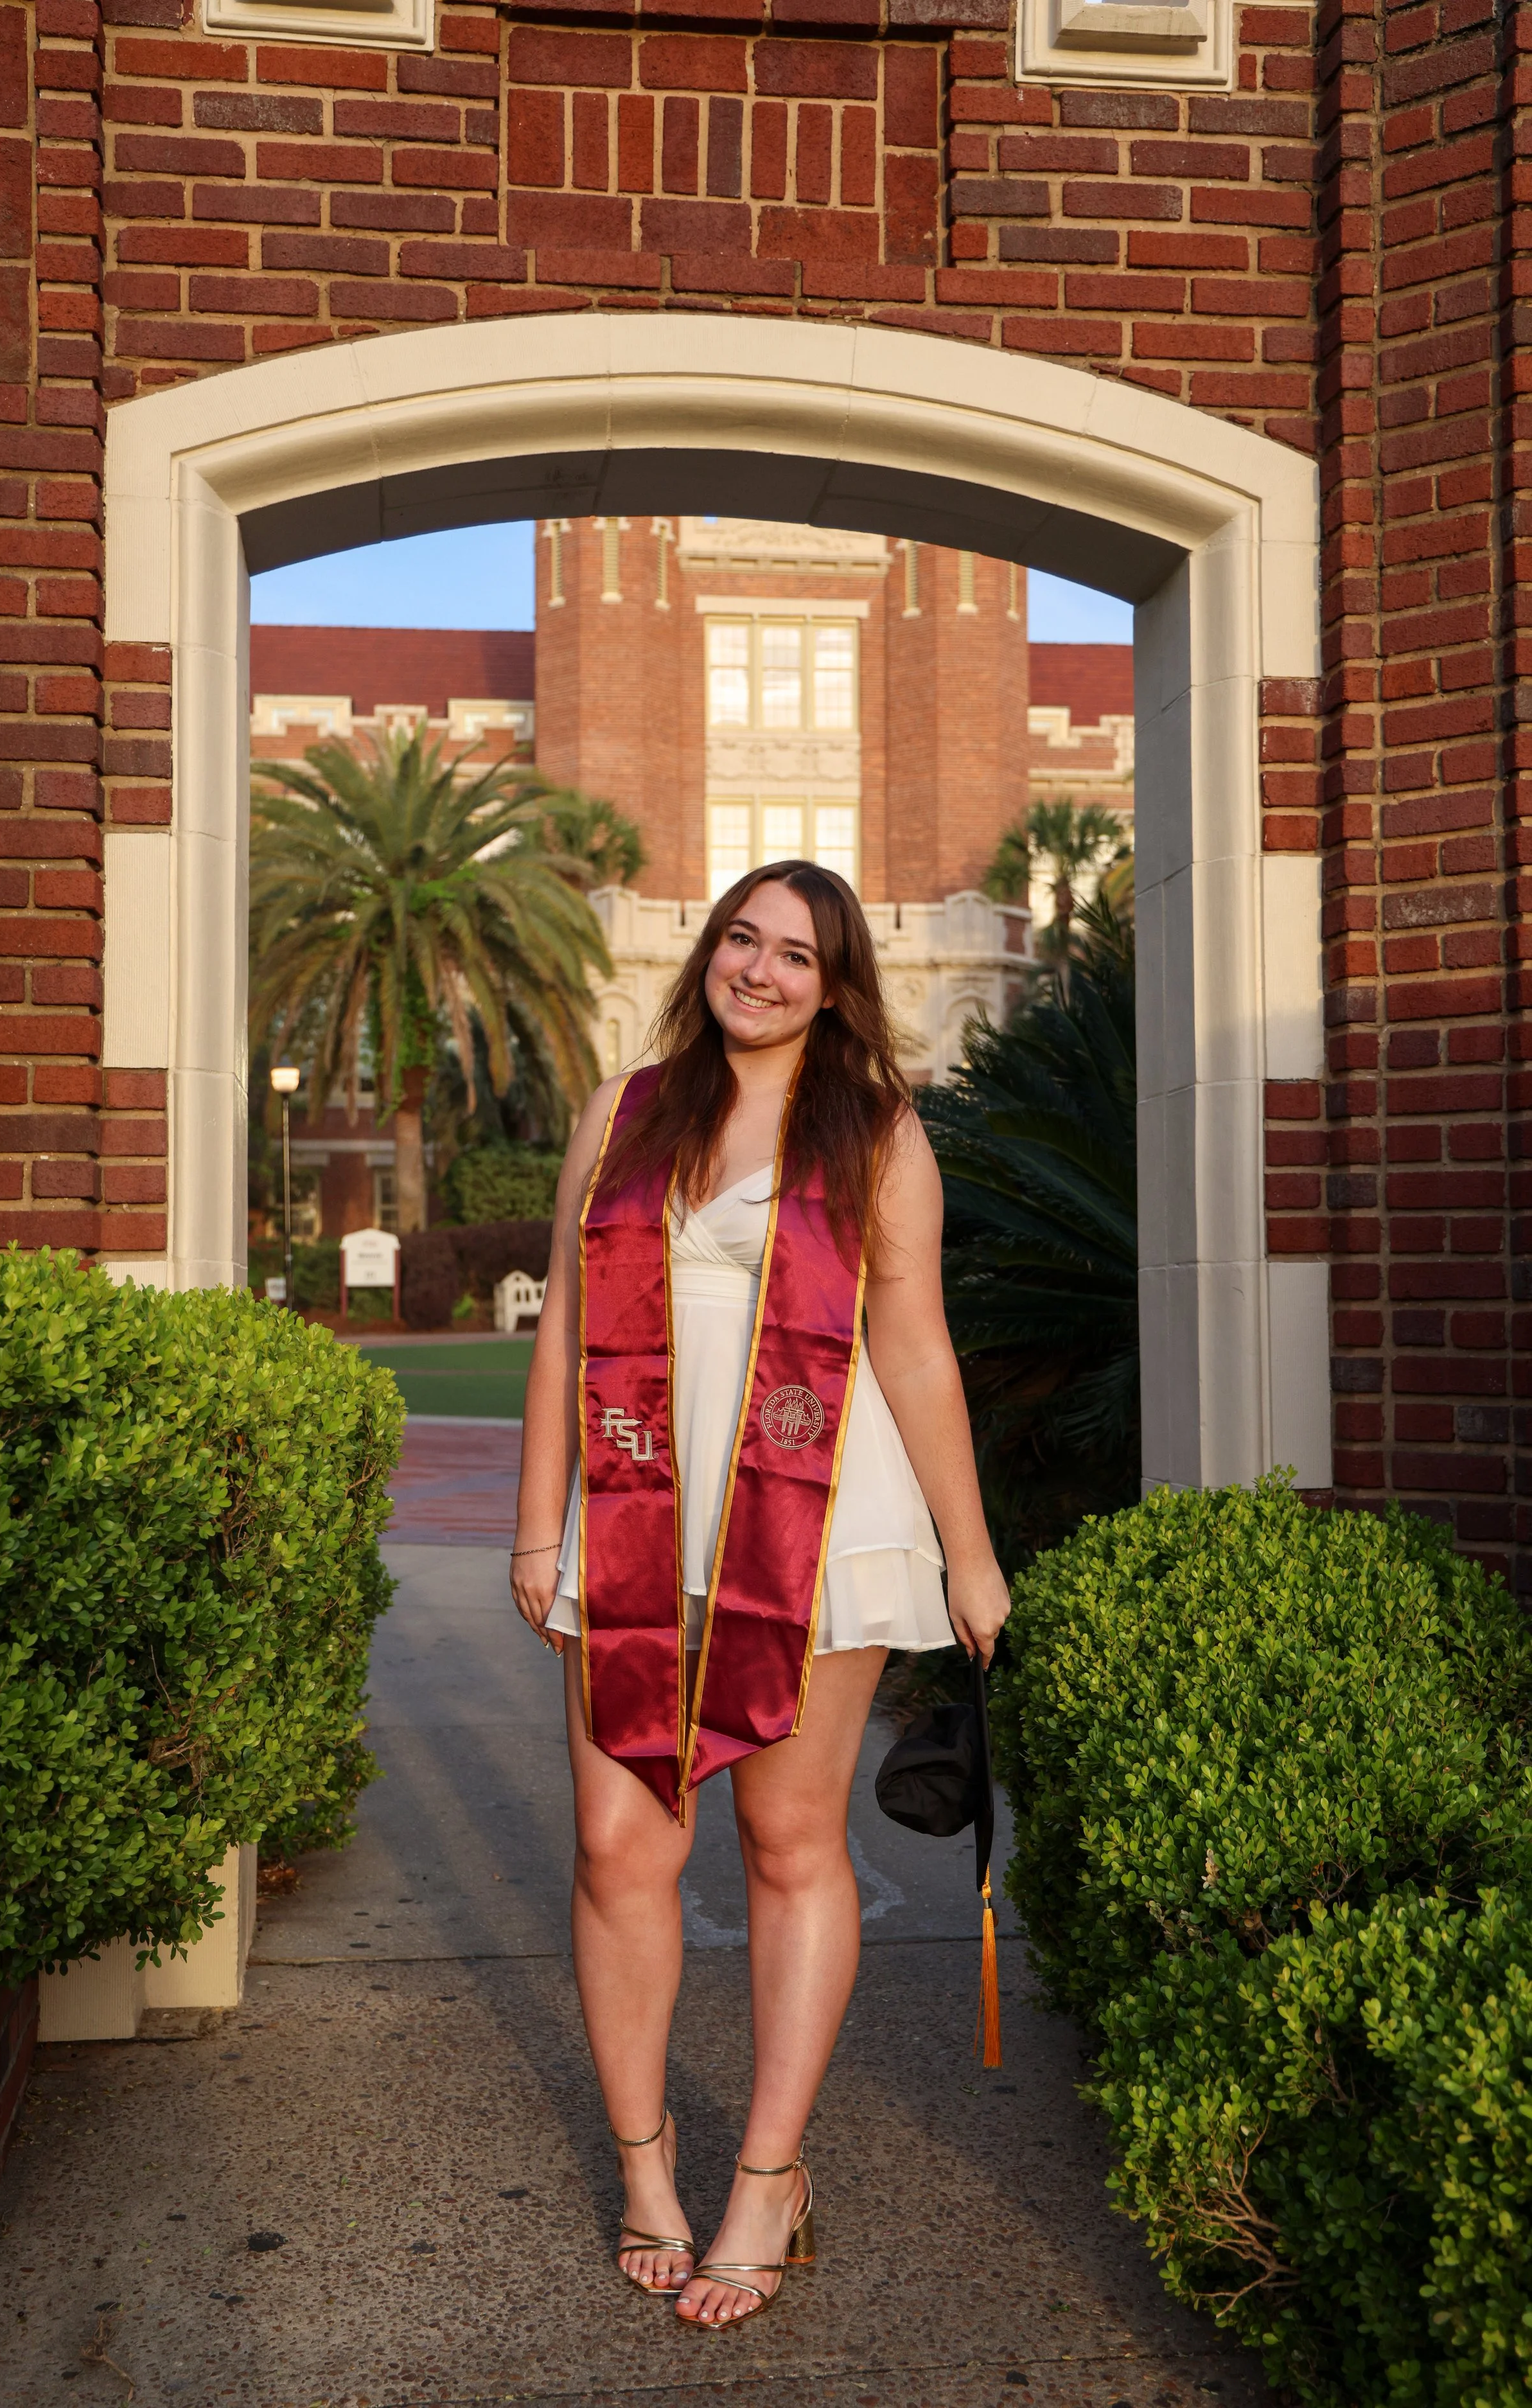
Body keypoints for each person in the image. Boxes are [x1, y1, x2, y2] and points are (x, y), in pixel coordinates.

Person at [510, 861, 1011, 2330]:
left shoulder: (873, 1131)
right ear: (710, 950)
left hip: (812, 1526)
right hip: (634, 1522)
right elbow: (556, 1329)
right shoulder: (626, 1109)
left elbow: (913, 1348)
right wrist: (541, 1525)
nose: (762, 970)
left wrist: (967, 1553)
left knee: (786, 1840)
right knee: (618, 1845)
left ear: (833, 983)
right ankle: (645, 2160)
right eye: (744, 938)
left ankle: (767, 2175)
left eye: (797, 954)